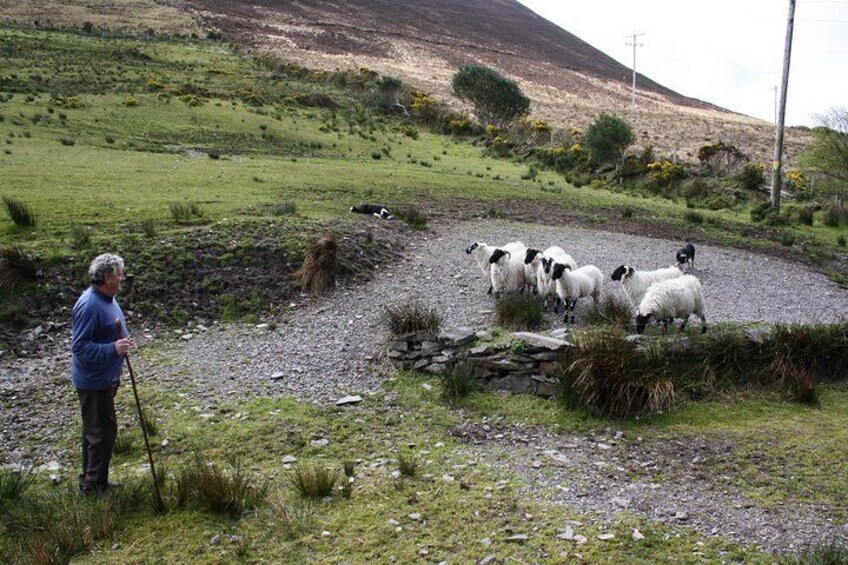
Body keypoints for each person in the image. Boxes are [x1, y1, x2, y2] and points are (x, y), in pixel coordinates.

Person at [71, 253, 131, 494]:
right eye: (119, 274)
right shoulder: (89, 305)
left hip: (104, 379)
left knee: (95, 430)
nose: (123, 278)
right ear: (107, 278)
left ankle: (93, 478)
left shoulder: (107, 297)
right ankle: (94, 487)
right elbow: (80, 348)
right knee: (102, 433)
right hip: (94, 382)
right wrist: (113, 348)